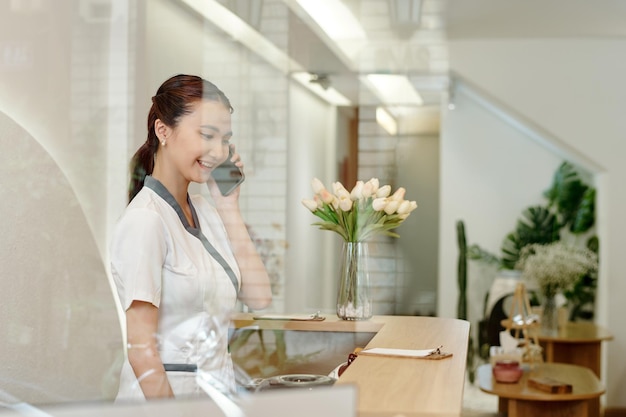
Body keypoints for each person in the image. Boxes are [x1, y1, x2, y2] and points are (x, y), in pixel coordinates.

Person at [110, 74, 272, 401]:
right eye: (207, 135)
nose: (218, 151)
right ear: (163, 131)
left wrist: (229, 206)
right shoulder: (147, 219)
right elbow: (141, 351)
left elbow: (260, 298)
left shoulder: (207, 212)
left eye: (225, 139)